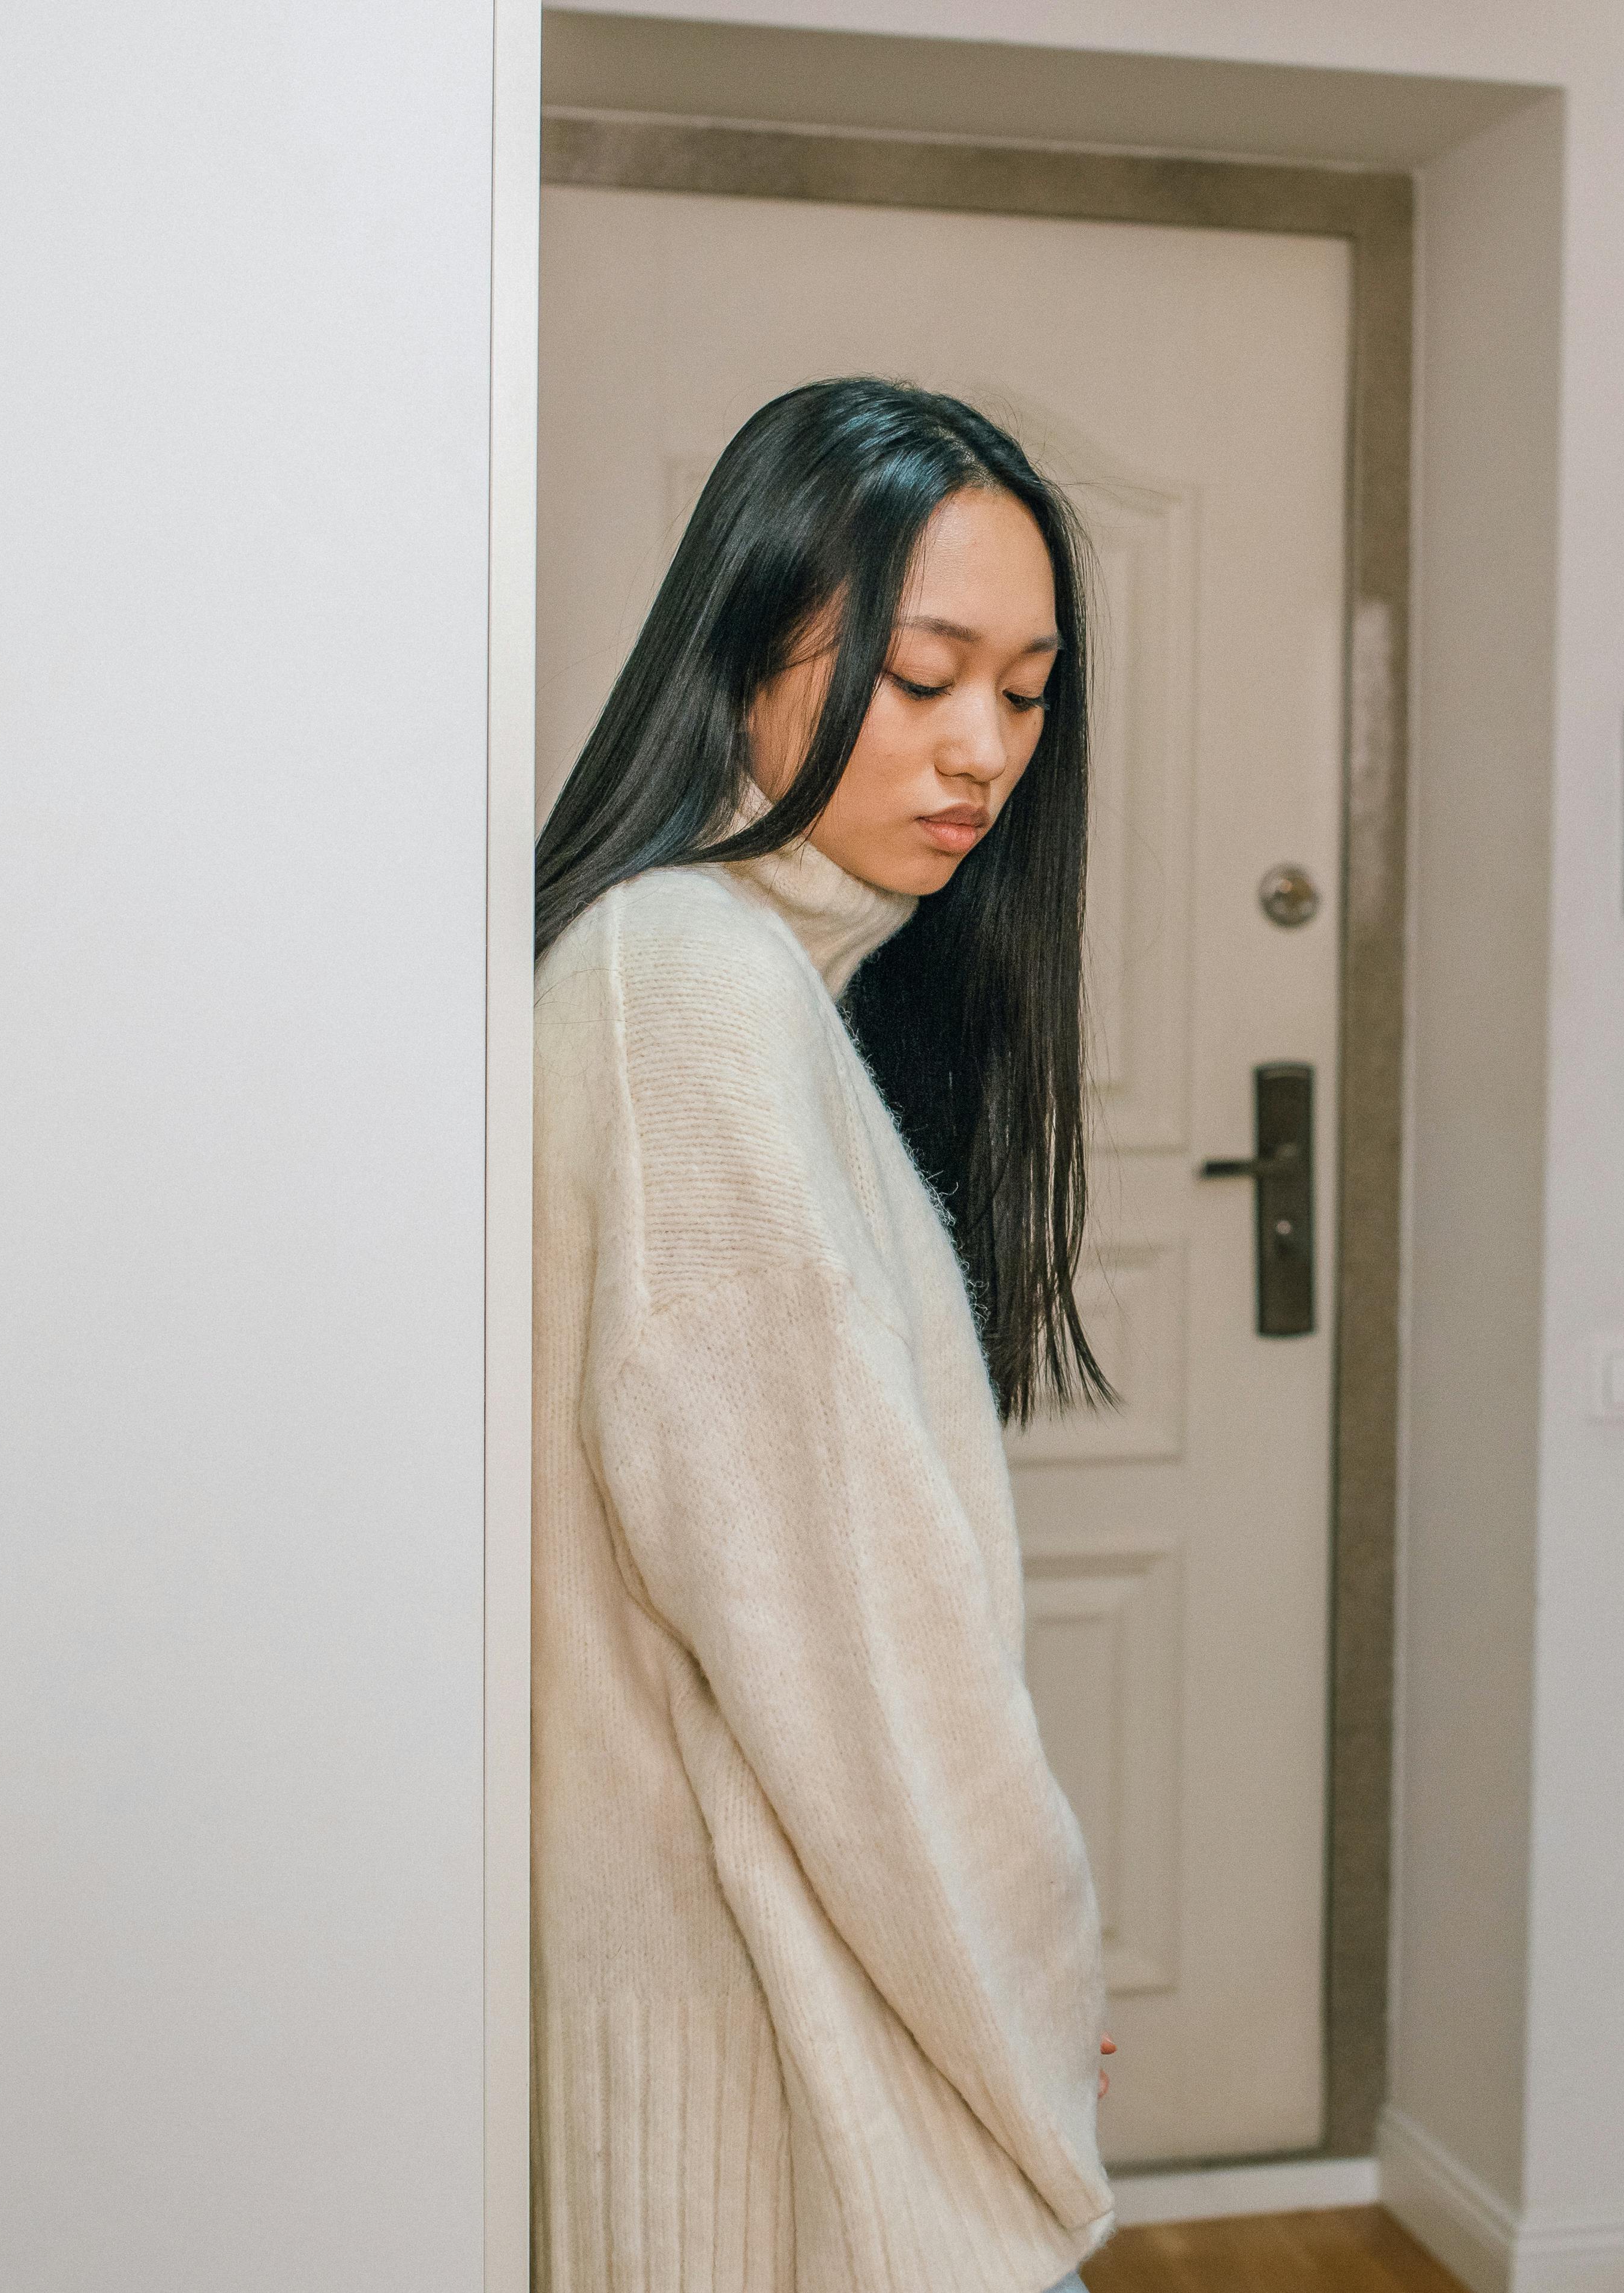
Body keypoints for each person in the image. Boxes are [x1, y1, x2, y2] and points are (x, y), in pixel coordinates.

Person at [532, 378, 1119, 2293]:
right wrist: (1032, 1988)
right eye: (920, 675)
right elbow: (843, 1650)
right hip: (788, 2067)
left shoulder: (734, 977)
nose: (982, 750)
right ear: (744, 650)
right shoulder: (689, 990)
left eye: (1024, 693)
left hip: (775, 2042)